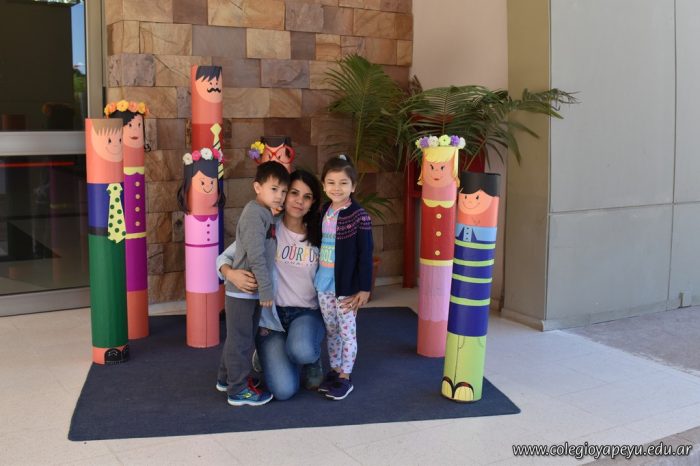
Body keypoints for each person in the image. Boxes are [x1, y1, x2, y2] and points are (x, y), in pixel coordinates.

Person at [218, 169, 326, 401]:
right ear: (284, 195)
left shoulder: (320, 234)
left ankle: (310, 356)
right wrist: (231, 274)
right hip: (270, 319)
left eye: (307, 196)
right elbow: (224, 258)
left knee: (302, 350)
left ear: (313, 202)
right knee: (284, 390)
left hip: (305, 313)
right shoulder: (266, 225)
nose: (299, 200)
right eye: (293, 193)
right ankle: (268, 353)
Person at [215, 161, 289, 406]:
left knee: (239, 338)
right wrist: (266, 289)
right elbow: (256, 255)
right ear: (257, 187)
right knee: (241, 341)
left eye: (283, 191)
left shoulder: (266, 214)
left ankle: (226, 378)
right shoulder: (254, 214)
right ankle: (237, 390)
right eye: (274, 189)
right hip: (243, 292)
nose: (279, 196)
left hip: (250, 293)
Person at [315, 155, 374, 400]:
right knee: (331, 330)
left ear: (353, 186)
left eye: (343, 183)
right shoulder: (323, 211)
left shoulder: (359, 216)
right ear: (323, 185)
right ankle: (335, 369)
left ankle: (345, 376)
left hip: (347, 285)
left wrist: (364, 288)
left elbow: (365, 253)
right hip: (324, 282)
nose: (336, 188)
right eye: (331, 182)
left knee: (347, 331)